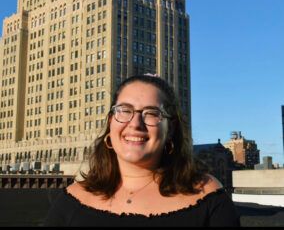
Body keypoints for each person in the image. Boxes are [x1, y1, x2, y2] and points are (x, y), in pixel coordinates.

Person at [44, 74, 240, 227]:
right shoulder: (72, 199)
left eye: (151, 113)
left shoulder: (206, 195)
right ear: (111, 122)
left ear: (170, 129)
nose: (135, 124)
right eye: (125, 110)